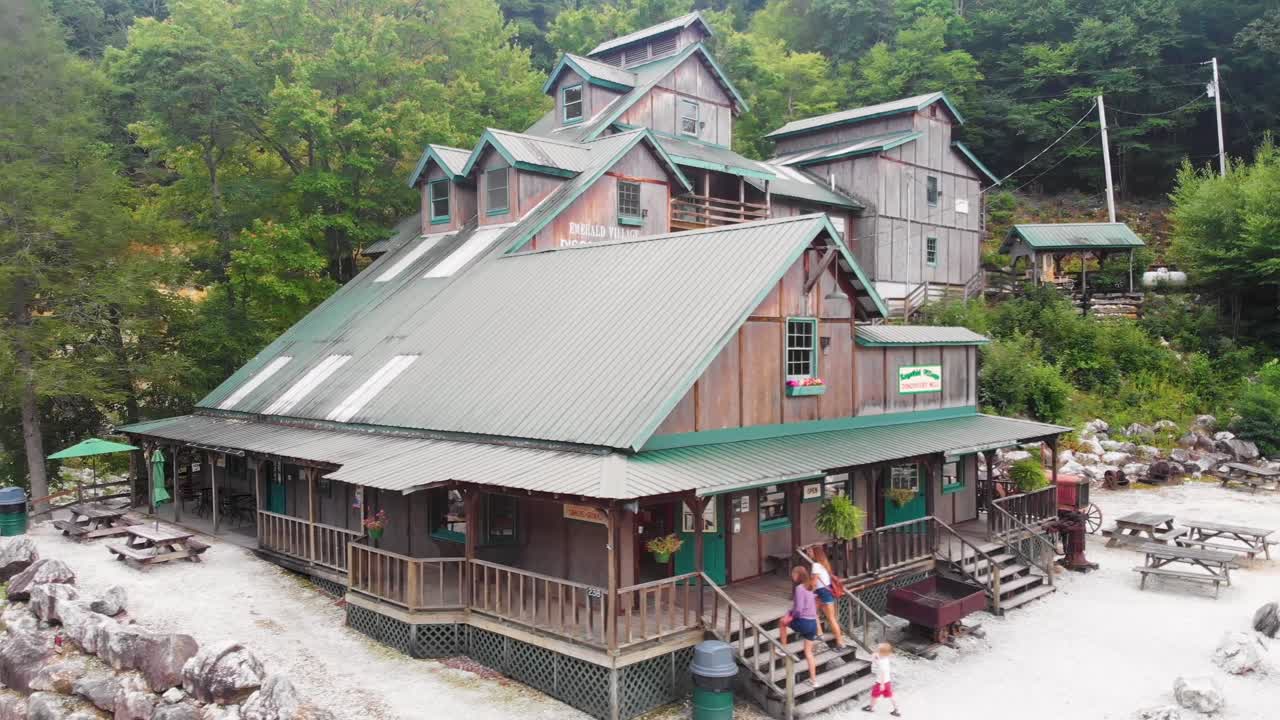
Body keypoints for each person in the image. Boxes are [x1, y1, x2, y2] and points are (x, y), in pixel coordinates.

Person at [776, 566, 821, 686]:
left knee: (781, 622)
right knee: (808, 653)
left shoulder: (799, 588)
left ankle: (783, 649)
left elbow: (799, 610)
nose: (792, 576)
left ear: (798, 575)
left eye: (793, 574)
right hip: (812, 624)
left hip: (804, 622)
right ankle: (814, 680)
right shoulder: (810, 587)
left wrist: (790, 615)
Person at [808, 546, 846, 648]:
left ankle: (840, 642)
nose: (809, 553)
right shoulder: (824, 565)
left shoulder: (816, 565)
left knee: (831, 618)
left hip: (822, 592)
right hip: (824, 592)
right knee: (814, 612)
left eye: (810, 551)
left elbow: (814, 582)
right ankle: (819, 633)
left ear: (816, 553)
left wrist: (808, 592)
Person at [863, 642, 900, 716]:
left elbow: (882, 672)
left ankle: (871, 708)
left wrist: (882, 685)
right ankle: (896, 709)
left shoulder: (881, 662)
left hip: (880, 683)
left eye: (878, 650)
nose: (877, 651)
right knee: (890, 696)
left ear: (881, 653)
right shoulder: (886, 658)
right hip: (888, 682)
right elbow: (877, 657)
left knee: (874, 695)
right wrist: (876, 656)